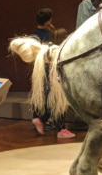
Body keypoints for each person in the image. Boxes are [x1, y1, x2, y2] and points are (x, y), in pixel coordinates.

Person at [29, 8, 76, 139]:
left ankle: (39, 118)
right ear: (48, 21)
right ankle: (59, 128)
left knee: (41, 95)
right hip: (50, 69)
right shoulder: (49, 36)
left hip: (38, 70)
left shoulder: (34, 35)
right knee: (56, 97)